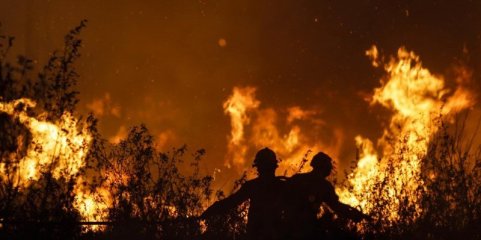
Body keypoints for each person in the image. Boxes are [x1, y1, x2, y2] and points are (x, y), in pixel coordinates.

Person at [201, 148, 286, 240]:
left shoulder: (253, 186)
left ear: (258, 168)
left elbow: (231, 202)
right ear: (274, 167)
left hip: (258, 234)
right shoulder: (283, 186)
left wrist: (209, 212)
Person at [284, 152, 370, 239]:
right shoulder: (324, 185)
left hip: (288, 225)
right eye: (329, 165)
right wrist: (353, 215)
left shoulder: (298, 178)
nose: (330, 168)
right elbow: (336, 206)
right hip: (306, 228)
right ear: (324, 167)